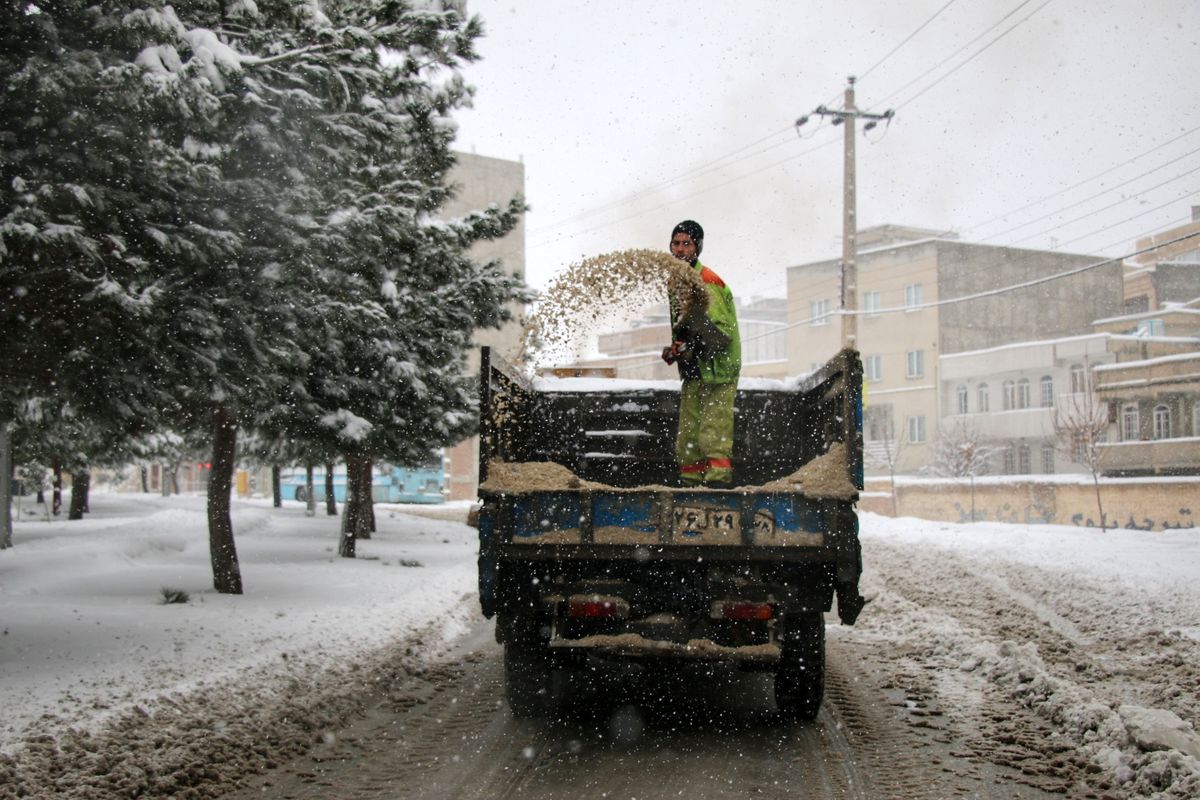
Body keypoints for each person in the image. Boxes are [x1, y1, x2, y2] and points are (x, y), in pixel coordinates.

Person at [661, 220, 741, 488]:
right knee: (688, 434)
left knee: (713, 429)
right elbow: (687, 324)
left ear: (698, 247)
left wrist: (688, 348)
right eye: (676, 243)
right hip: (695, 367)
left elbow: (719, 333)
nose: (680, 249)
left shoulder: (707, 281)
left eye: (687, 244)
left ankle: (718, 484)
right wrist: (677, 348)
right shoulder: (675, 281)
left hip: (718, 367)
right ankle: (690, 481)